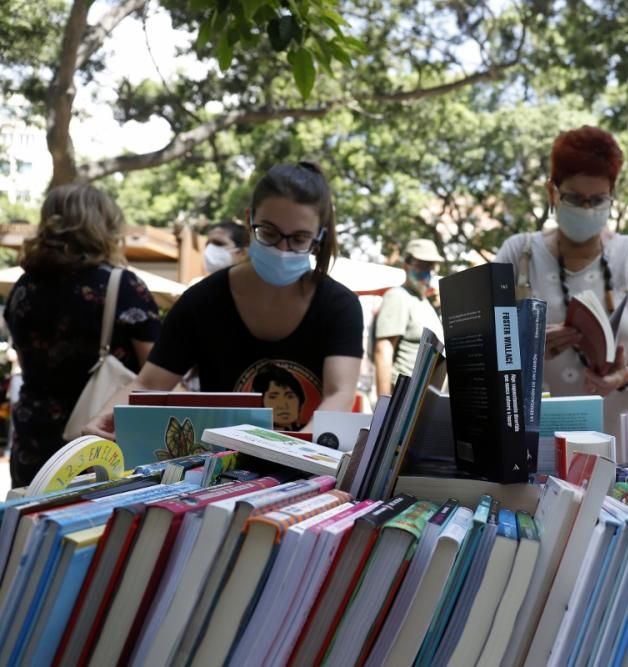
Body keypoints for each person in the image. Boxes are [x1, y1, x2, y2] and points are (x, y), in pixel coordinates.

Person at [86, 162, 363, 438]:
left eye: (299, 239)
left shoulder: (340, 306)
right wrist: (105, 420)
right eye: (269, 232)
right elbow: (149, 384)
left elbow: (339, 394)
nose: (282, 249)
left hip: (310, 458)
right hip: (221, 462)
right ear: (249, 219)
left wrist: (293, 451)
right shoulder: (202, 301)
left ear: (319, 236)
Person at [494, 126, 628, 440]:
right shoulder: (517, 252)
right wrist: (526, 345)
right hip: (538, 442)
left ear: (611, 197)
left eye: (598, 200)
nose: (587, 209)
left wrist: (627, 375)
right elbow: (485, 345)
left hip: (621, 445)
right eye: (575, 198)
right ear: (552, 192)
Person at [6, 185, 161, 486]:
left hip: (32, 435)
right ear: (103, 225)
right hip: (99, 440)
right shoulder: (121, 285)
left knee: (31, 511)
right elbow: (155, 371)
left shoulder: (23, 287)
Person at [373, 238, 445, 395]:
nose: (428, 272)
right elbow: (383, 349)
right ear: (406, 264)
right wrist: (384, 403)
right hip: (404, 397)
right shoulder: (398, 296)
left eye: (432, 266)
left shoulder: (424, 302)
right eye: (423, 265)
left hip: (425, 397)